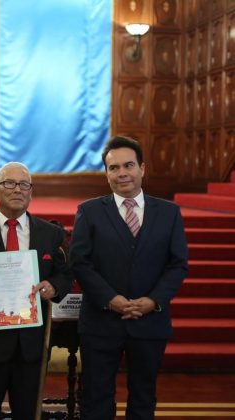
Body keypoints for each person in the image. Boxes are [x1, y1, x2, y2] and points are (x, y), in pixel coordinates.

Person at [69, 136, 188, 420]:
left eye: (128, 165)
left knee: (144, 399)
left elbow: (178, 265)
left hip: (150, 322)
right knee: (96, 399)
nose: (122, 173)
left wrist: (153, 301)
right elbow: (80, 262)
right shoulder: (89, 211)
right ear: (106, 173)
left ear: (142, 168)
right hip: (101, 322)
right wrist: (110, 299)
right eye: (114, 167)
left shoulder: (169, 213)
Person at [0, 162, 72, 419]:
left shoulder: (51, 233)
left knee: (27, 412)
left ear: (31, 192)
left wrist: (54, 286)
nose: (17, 189)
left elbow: (65, 273)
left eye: (24, 184)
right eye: (9, 183)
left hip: (31, 345)